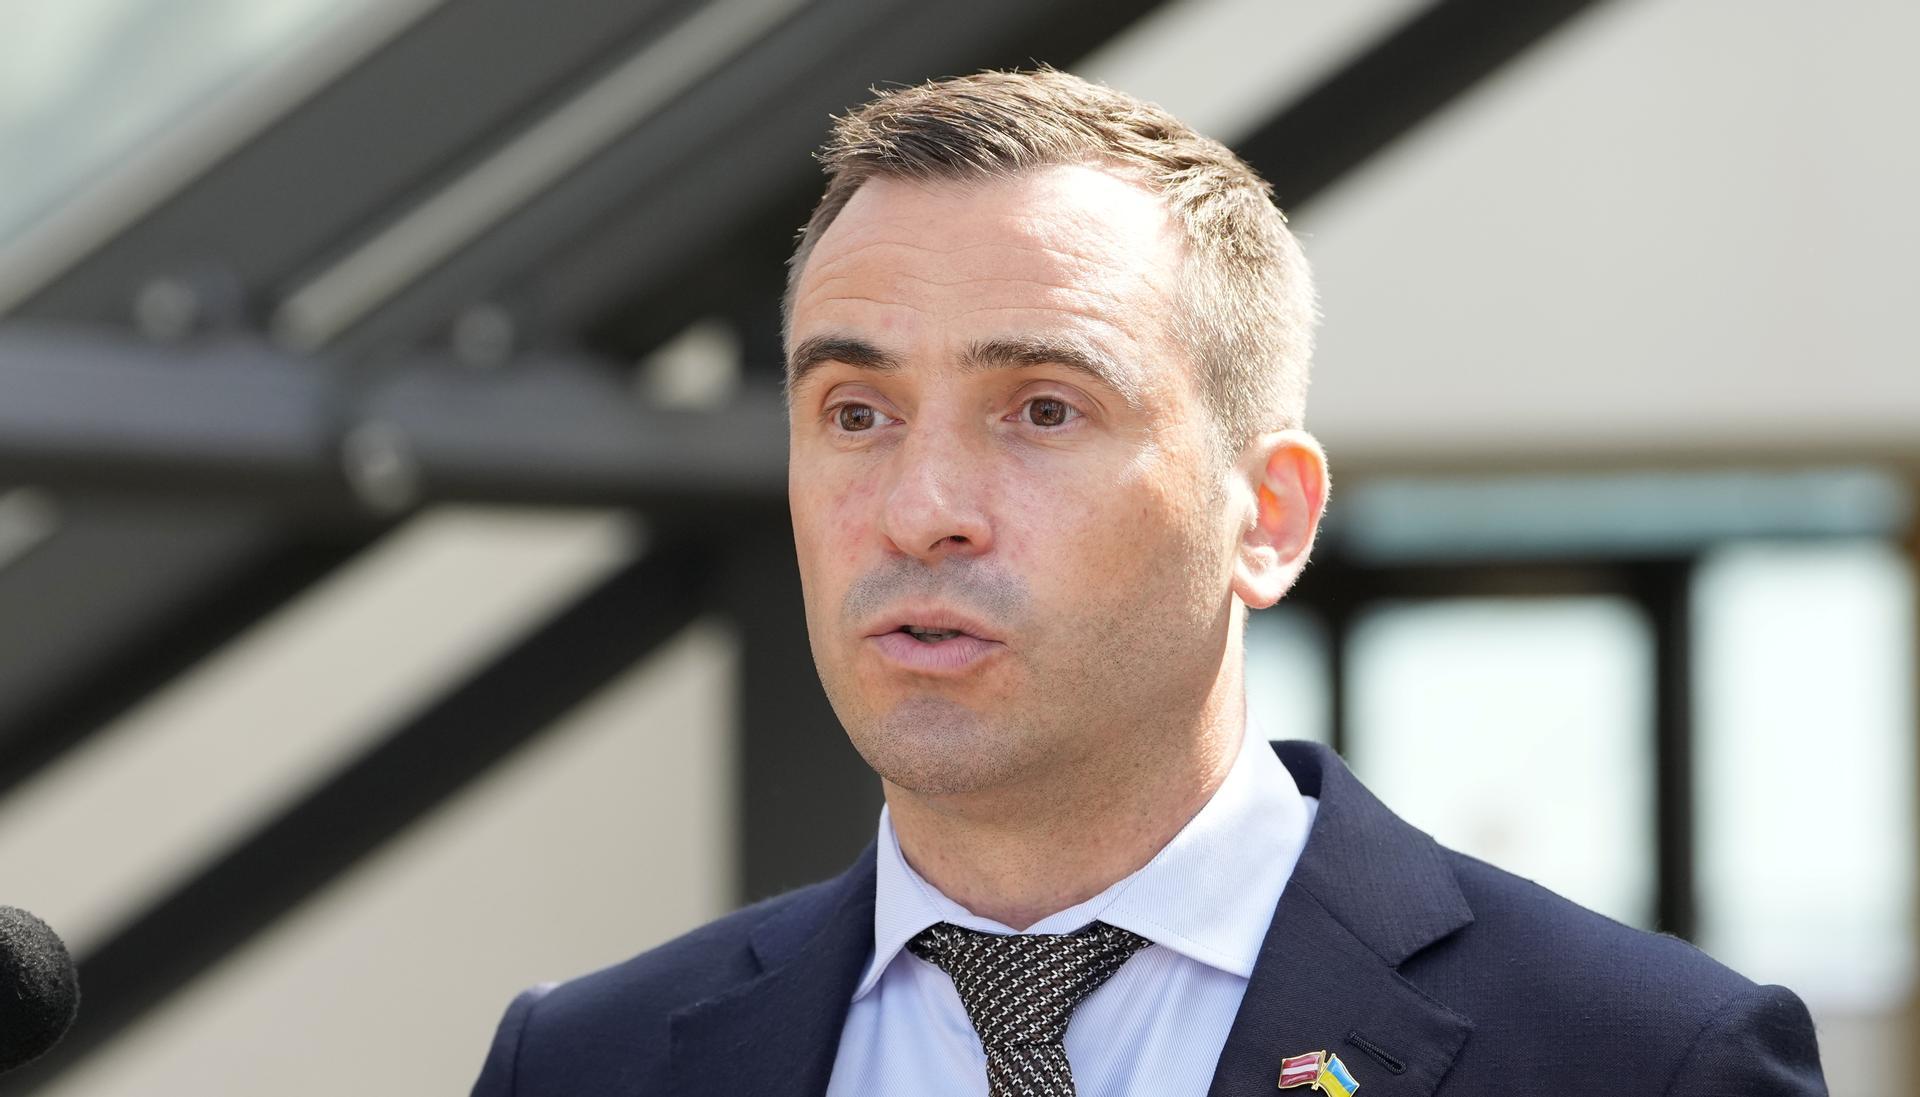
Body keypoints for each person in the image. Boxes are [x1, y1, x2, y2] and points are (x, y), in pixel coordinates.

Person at [471, 68, 1826, 1096]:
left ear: (1268, 518)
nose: (921, 511)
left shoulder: (1644, 1062)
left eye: (1044, 409)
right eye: (856, 414)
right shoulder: (583, 1065)